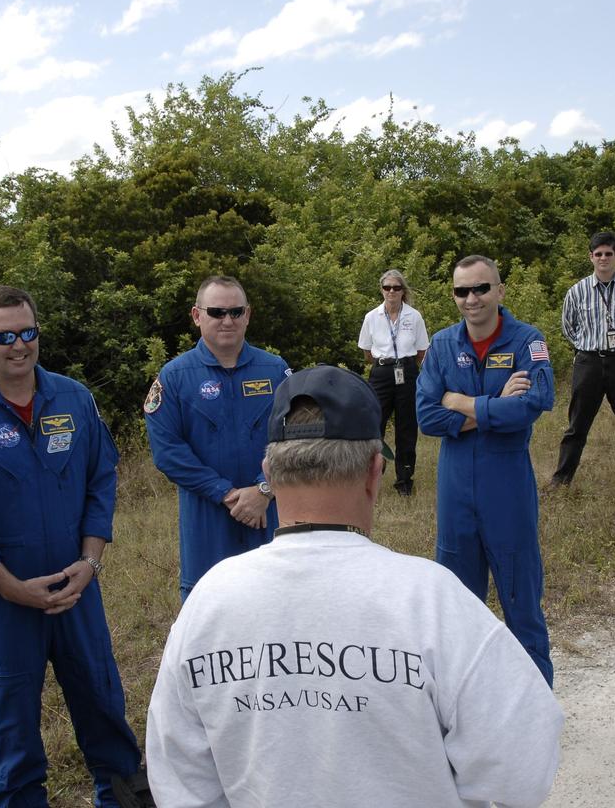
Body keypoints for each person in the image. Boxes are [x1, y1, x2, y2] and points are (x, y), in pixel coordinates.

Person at [145, 365, 564, 807]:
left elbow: (178, 778)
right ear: (374, 472)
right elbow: (522, 765)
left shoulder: (209, 601)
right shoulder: (432, 600)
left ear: (270, 470)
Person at [0, 286, 143, 807]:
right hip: (2, 597)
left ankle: (125, 799)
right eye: (4, 336)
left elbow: (100, 481)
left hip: (77, 586)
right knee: (13, 723)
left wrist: (91, 562)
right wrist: (10, 587)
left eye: (29, 333)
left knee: (103, 703)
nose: (19, 346)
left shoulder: (73, 397)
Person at [415, 255, 556, 685]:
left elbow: (533, 406)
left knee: (523, 607)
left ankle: (536, 709)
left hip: (507, 488)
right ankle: (467, 716)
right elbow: (426, 416)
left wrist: (460, 402)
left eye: (481, 288)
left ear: (500, 290)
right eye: (462, 291)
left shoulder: (527, 341)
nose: (472, 299)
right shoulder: (442, 345)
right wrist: (497, 406)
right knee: (458, 613)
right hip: (456, 490)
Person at [144, 275, 290, 600]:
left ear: (248, 315)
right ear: (197, 316)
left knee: (275, 603)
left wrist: (263, 490)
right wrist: (227, 495)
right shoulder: (175, 376)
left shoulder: (275, 370)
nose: (227, 320)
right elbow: (168, 452)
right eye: (217, 312)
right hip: (207, 520)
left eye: (236, 312)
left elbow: (293, 437)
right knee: (210, 607)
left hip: (270, 513)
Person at [552, 230, 615, 487]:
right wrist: (588, 347)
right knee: (577, 425)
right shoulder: (577, 291)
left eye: (609, 254)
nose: (603, 258)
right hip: (589, 361)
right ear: (591, 257)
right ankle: (561, 480)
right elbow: (568, 327)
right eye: (599, 254)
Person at [356, 268, 430, 496]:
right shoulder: (372, 317)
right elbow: (367, 352)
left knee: (407, 427)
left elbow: (421, 351)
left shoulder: (414, 316)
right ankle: (373, 473)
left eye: (396, 288)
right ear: (381, 290)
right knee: (373, 424)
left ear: (402, 291)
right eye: (387, 287)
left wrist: (405, 365)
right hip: (382, 372)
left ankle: (404, 481)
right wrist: (385, 363)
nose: (391, 291)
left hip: (406, 371)